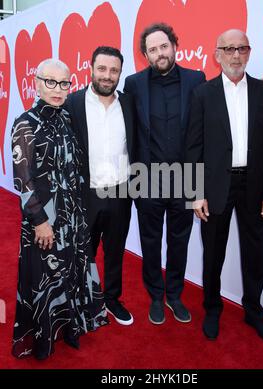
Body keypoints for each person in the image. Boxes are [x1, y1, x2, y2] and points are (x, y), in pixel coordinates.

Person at [186, 29, 263, 344]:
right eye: (228, 49)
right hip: (214, 188)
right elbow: (193, 148)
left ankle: (254, 312)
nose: (235, 55)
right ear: (217, 54)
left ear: (249, 52)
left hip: (254, 187)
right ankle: (212, 309)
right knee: (213, 253)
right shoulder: (202, 94)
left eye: (241, 48)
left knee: (256, 253)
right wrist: (195, 193)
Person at [11, 59, 108, 360]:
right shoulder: (25, 123)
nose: (57, 89)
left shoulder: (67, 117)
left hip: (72, 217)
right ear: (37, 83)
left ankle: (70, 329)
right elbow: (23, 181)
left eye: (64, 83)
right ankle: (43, 340)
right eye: (50, 82)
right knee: (45, 279)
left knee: (71, 274)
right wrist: (40, 222)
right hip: (45, 221)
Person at [124, 23, 206, 325]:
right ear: (146, 55)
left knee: (179, 242)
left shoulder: (196, 79)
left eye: (164, 46)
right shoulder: (134, 84)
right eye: (153, 49)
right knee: (149, 241)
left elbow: (214, 113)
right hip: (148, 179)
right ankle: (156, 297)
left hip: (186, 178)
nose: (159, 53)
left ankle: (174, 295)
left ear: (175, 46)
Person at [66, 46, 135, 326]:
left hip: (120, 192)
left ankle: (111, 298)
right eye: (102, 69)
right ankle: (83, 300)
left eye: (114, 70)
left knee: (115, 250)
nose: (108, 76)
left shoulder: (129, 103)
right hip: (86, 194)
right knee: (84, 251)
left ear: (120, 72)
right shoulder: (72, 103)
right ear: (91, 69)